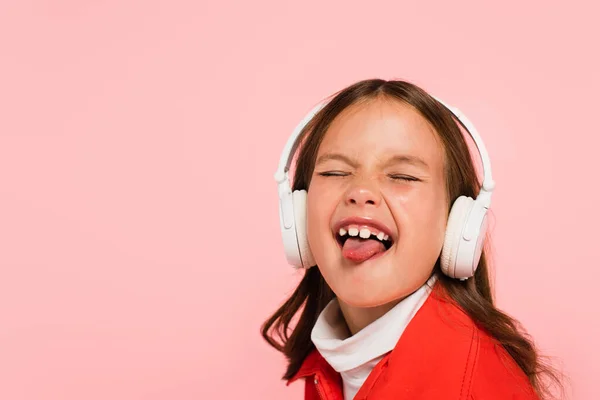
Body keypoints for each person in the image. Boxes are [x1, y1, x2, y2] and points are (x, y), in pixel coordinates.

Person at [262, 79, 562, 399]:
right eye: (335, 173)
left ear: (456, 222)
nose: (360, 192)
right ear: (298, 211)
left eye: (403, 176)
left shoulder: (477, 388)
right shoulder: (334, 360)